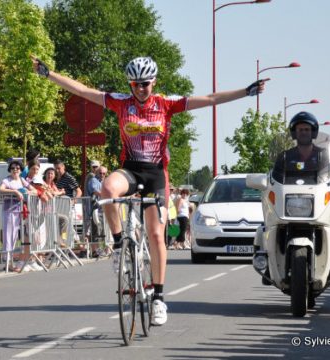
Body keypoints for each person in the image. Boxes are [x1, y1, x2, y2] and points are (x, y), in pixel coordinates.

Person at [32, 55, 267, 326]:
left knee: (156, 234)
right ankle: (120, 244)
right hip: (131, 169)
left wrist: (245, 92)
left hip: (156, 174)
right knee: (108, 188)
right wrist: (48, 74)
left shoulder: (166, 104)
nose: (140, 88)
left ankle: (158, 297)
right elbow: (84, 91)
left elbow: (210, 99)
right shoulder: (122, 103)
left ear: (153, 82)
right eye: (135, 83)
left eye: (145, 83)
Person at [272, 111, 330, 184]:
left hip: (318, 193)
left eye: (307, 129)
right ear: (294, 133)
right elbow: (275, 179)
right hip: (287, 192)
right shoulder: (284, 156)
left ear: (313, 133)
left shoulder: (323, 155)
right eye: (300, 130)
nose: (303, 132)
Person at [0, 160, 37, 271]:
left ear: (20, 170)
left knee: (16, 237)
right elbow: (0, 189)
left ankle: (12, 262)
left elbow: (34, 190)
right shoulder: (7, 180)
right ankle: (7, 262)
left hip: (20, 211)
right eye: (13, 168)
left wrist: (26, 192)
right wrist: (15, 191)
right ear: (10, 170)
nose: (15, 170)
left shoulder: (22, 180)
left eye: (17, 168)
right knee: (8, 236)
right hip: (9, 211)